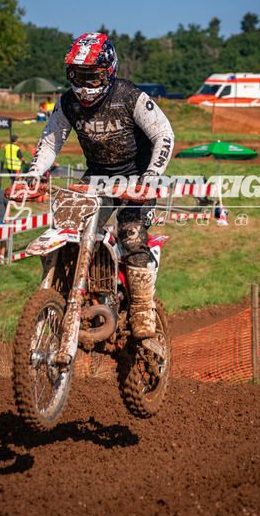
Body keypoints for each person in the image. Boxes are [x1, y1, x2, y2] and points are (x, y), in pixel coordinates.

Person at [23, 32, 174, 340]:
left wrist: (150, 177)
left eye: (92, 77)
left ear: (109, 71)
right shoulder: (68, 103)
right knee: (67, 229)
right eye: (78, 75)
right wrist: (33, 174)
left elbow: (164, 134)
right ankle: (66, 299)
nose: (84, 84)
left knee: (131, 236)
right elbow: (50, 141)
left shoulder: (129, 95)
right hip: (96, 178)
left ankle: (142, 312)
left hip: (137, 178)